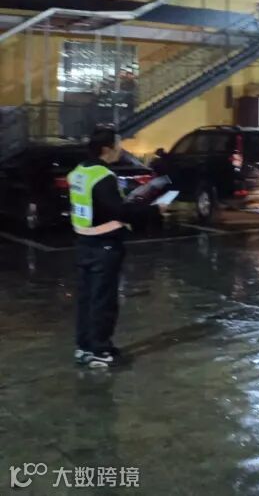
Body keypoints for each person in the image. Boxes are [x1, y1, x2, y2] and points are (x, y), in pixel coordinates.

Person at [71, 126, 159, 368]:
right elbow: (118, 211)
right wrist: (151, 210)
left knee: (87, 298)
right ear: (106, 149)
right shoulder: (103, 176)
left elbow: (98, 205)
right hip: (104, 246)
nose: (120, 150)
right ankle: (100, 351)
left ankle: (84, 347)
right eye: (117, 146)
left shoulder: (79, 172)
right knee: (103, 300)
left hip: (84, 243)